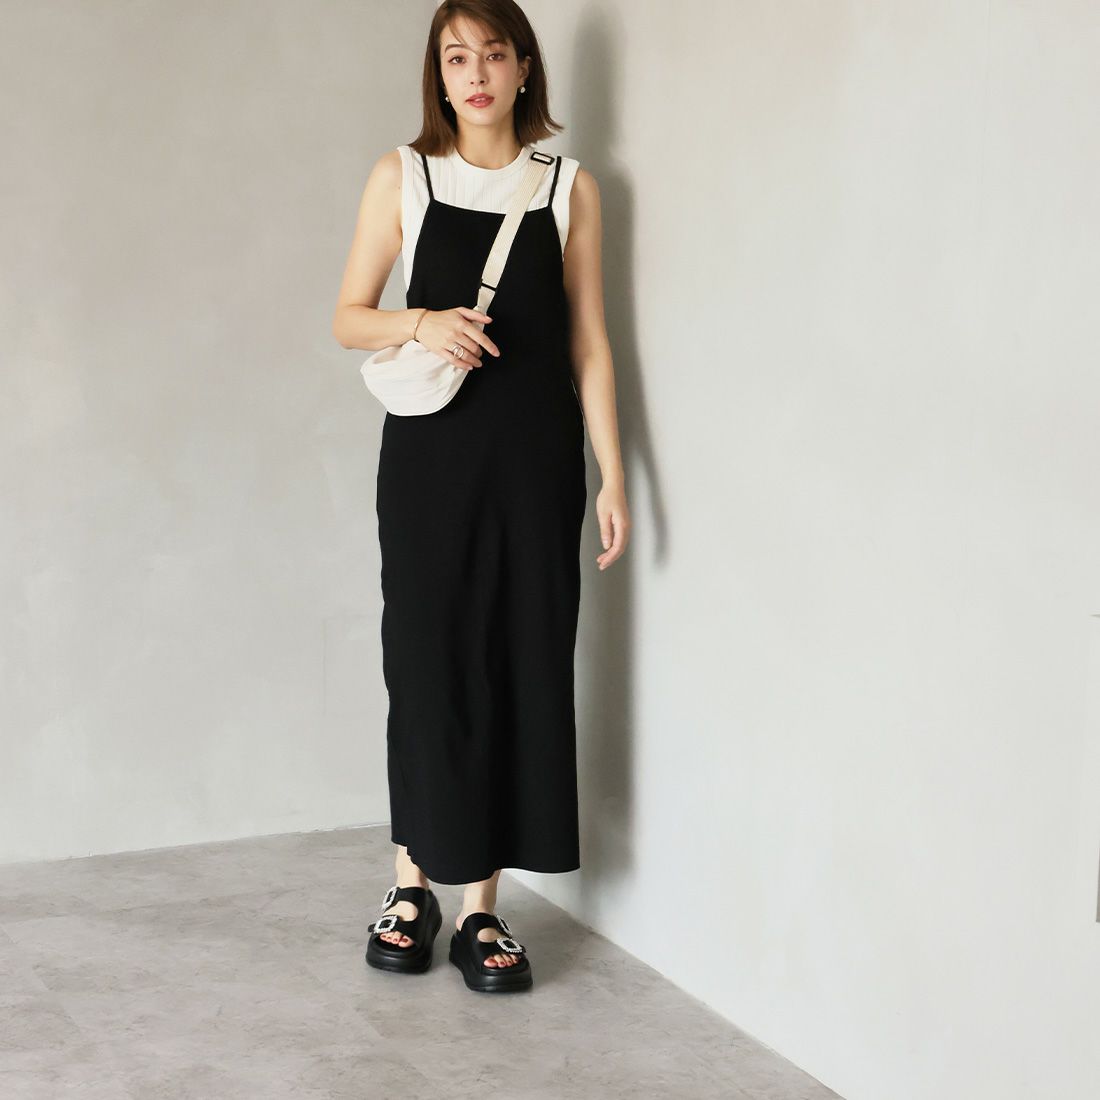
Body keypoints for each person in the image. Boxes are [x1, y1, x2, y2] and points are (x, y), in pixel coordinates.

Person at [332, 0, 629, 993]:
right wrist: (421, 321)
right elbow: (348, 317)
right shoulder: (404, 176)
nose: (475, 74)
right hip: (430, 461)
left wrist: (612, 472)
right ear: (439, 74)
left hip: (534, 464)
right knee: (425, 660)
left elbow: (588, 340)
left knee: (516, 660)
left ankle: (479, 909)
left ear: (523, 67)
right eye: (455, 57)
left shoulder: (569, 188)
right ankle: (409, 886)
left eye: (493, 54)